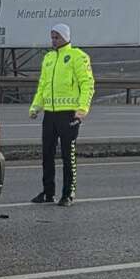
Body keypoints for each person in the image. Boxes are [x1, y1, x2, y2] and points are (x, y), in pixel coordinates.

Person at [29, 23, 95, 206]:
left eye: (57, 37)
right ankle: (48, 192)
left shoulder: (78, 57)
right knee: (47, 155)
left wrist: (82, 110)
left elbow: (87, 84)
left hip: (69, 116)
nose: (53, 40)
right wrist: (35, 107)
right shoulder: (48, 58)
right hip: (50, 115)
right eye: (52, 37)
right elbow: (42, 86)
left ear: (66, 37)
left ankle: (68, 194)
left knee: (68, 155)